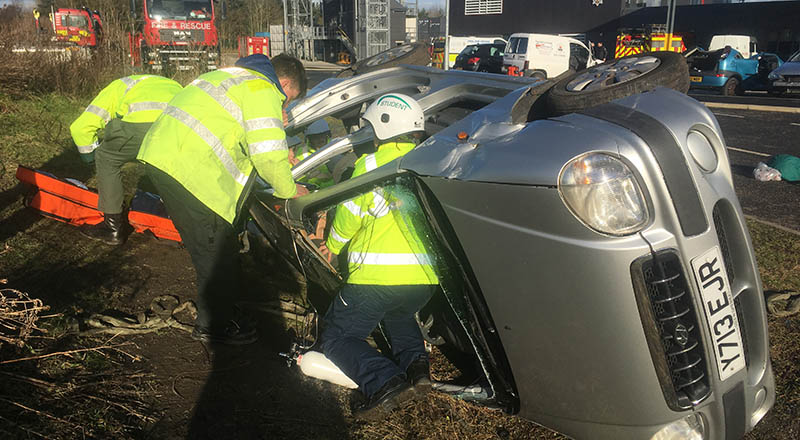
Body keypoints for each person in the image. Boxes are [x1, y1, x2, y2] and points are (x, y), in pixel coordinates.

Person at [136, 54, 308, 345]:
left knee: (211, 245)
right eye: (288, 98)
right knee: (216, 251)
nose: (285, 106)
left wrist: (276, 147)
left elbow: (234, 133)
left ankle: (219, 311)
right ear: (286, 82)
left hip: (164, 157)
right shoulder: (263, 89)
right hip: (191, 170)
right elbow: (267, 155)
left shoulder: (230, 76)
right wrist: (291, 190)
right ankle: (214, 325)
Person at [319, 94, 438, 421]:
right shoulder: (429, 162)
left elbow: (349, 214)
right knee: (399, 315)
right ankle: (418, 371)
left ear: (384, 127)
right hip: (423, 279)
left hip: (376, 277)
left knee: (338, 337)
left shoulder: (370, 165)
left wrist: (334, 243)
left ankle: (385, 382)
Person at [69, 75, 182, 245]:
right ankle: (176, 219)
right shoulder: (175, 85)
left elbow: (80, 127)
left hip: (137, 127)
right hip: (174, 128)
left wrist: (89, 158)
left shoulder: (118, 87)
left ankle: (112, 228)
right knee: (167, 165)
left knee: (107, 158)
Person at [290, 119, 334, 188]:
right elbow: (298, 181)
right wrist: (309, 176)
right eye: (315, 137)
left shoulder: (337, 146)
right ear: (309, 139)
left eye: (322, 135)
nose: (320, 139)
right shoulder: (302, 153)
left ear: (327, 134)